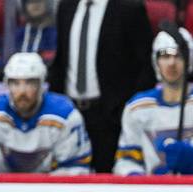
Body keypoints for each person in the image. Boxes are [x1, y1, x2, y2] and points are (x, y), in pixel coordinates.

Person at [48, 0, 154, 173]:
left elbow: (146, 66)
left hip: (110, 118)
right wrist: (57, 107)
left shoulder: (129, 8)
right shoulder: (66, 6)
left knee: (108, 183)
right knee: (67, 183)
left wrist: (125, 110)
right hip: (72, 115)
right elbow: (61, 60)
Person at [115, 28, 193, 175]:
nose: (171, 63)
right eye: (165, 56)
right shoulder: (138, 107)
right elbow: (126, 159)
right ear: (155, 61)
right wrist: (137, 180)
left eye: (179, 56)